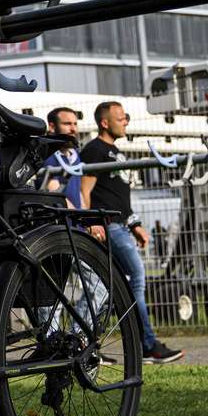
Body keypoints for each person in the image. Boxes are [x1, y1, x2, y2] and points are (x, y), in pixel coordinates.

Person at [79, 101, 183, 364]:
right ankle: (146, 344)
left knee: (105, 287)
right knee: (135, 277)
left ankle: (80, 343)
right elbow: (85, 190)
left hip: (121, 225)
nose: (126, 121)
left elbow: (116, 194)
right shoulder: (95, 150)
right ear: (105, 122)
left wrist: (135, 224)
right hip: (108, 225)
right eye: (121, 117)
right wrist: (90, 222)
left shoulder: (115, 152)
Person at [43, 107, 84, 208]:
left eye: (75, 124)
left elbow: (78, 192)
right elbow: (55, 194)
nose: (73, 129)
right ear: (52, 127)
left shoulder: (74, 154)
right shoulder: (47, 154)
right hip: (60, 221)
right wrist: (81, 218)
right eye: (67, 124)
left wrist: (88, 218)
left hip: (75, 220)